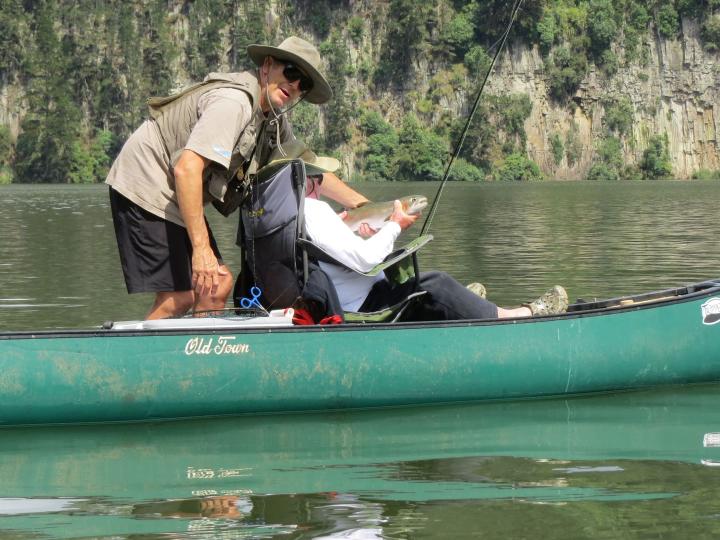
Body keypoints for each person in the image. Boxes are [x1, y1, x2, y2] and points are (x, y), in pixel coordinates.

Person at [106, 36, 368, 320]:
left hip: (174, 187)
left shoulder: (274, 120)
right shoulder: (234, 103)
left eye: (303, 85)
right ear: (268, 65)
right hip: (146, 181)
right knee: (179, 296)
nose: (294, 87)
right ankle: (136, 360)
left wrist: (363, 206)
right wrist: (201, 250)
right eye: (291, 73)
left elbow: (306, 168)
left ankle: (199, 358)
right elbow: (187, 169)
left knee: (215, 286)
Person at [292, 147, 569, 321]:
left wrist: (356, 232)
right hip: (364, 303)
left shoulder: (297, 213)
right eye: (317, 178)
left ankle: (463, 304)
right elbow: (365, 260)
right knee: (434, 284)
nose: (320, 185)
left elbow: (343, 254)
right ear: (307, 181)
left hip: (358, 294)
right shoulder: (314, 210)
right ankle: (511, 315)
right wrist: (395, 225)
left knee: (428, 286)